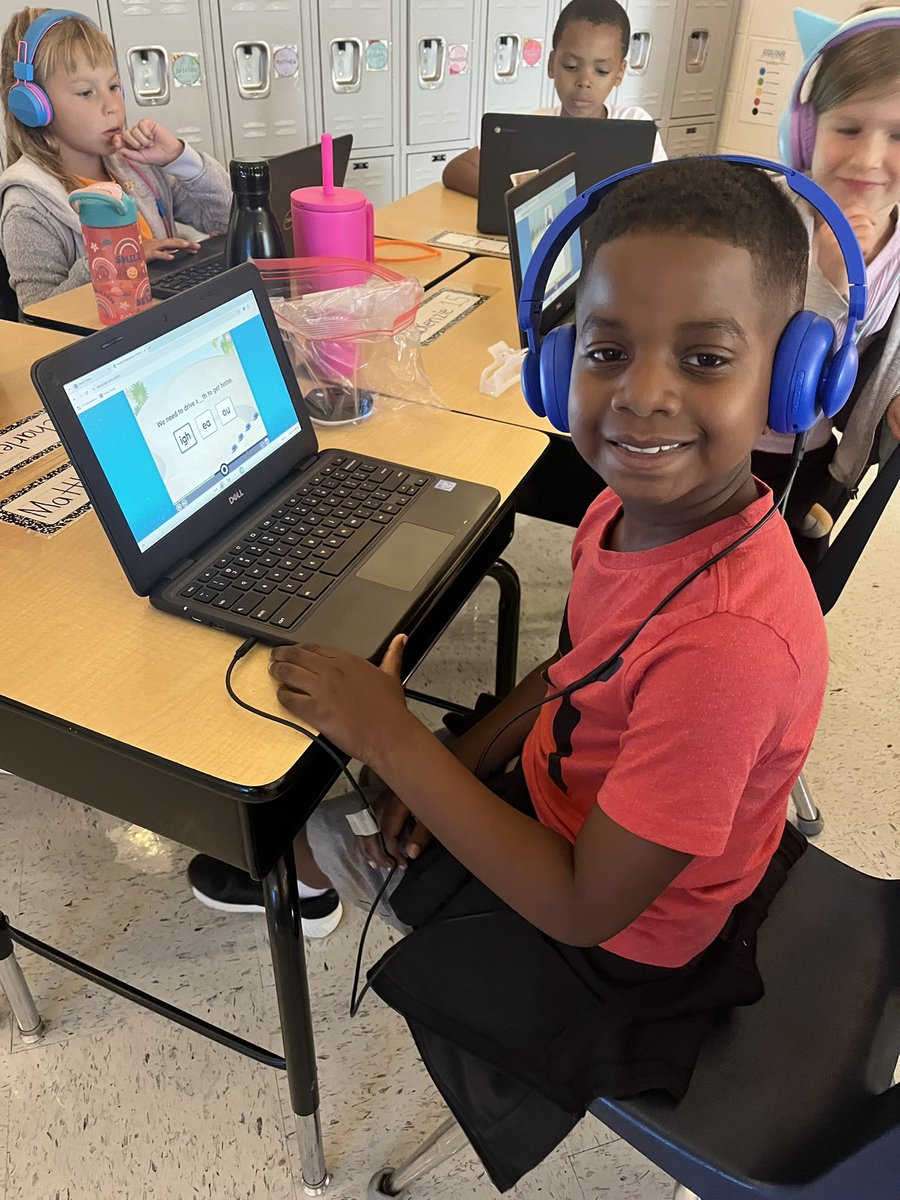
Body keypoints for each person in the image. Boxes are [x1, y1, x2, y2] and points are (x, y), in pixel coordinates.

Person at [265, 158, 830, 1189]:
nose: (642, 396)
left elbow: (582, 909)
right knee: (394, 778)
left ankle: (313, 885)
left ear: (793, 382)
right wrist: (455, 760)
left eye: (706, 358)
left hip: (619, 936)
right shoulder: (633, 509)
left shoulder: (730, 647)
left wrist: (392, 734)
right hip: (576, 805)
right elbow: (583, 665)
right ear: (558, 362)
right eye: (606, 351)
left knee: (296, 830)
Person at [752, 5, 900, 561]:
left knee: (793, 575)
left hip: (811, 454)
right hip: (723, 449)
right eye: (848, 128)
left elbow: (882, 351)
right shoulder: (762, 219)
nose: (869, 158)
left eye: (899, 134)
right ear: (806, 131)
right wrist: (830, 281)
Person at [0, 7, 231, 309]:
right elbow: (36, 314)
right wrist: (113, 260)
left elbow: (228, 215)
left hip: (169, 317)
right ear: (34, 106)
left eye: (113, 86)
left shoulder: (136, 166)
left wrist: (179, 158)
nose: (112, 106)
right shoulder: (28, 207)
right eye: (86, 92)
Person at [442, 0, 666, 198]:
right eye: (571, 66)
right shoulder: (533, 126)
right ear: (551, 64)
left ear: (619, 73)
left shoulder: (636, 125)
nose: (584, 81)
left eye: (602, 71)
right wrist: (519, 199)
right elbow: (457, 169)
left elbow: (665, 192)